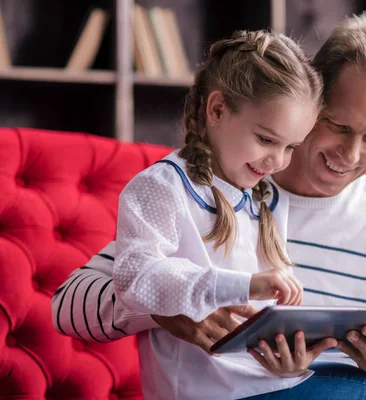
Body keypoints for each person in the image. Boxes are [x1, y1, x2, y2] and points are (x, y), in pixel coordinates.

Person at [52, 13, 366, 400]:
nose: (350, 155)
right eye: (338, 125)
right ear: (309, 103)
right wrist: (169, 311)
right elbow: (70, 306)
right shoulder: (224, 188)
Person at [69, 28, 330, 400]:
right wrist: (243, 285)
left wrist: (289, 360)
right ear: (218, 109)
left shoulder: (264, 199)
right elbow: (134, 276)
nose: (278, 161)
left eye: (291, 146)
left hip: (265, 386)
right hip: (206, 392)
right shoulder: (162, 186)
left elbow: (253, 327)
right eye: (267, 139)